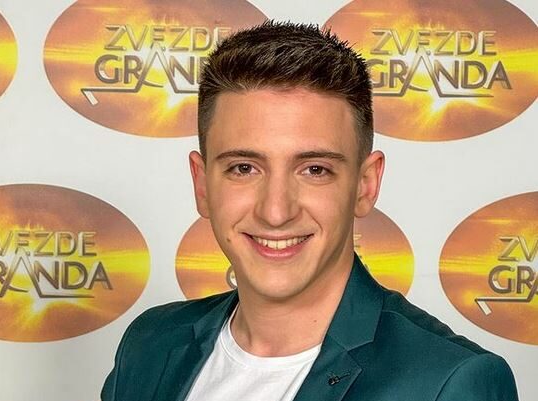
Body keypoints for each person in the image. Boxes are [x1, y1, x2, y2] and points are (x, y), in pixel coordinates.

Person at [101, 21, 518, 401]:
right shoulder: (150, 343)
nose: (276, 211)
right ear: (202, 184)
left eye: (315, 169)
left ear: (365, 185)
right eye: (244, 168)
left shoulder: (450, 381)